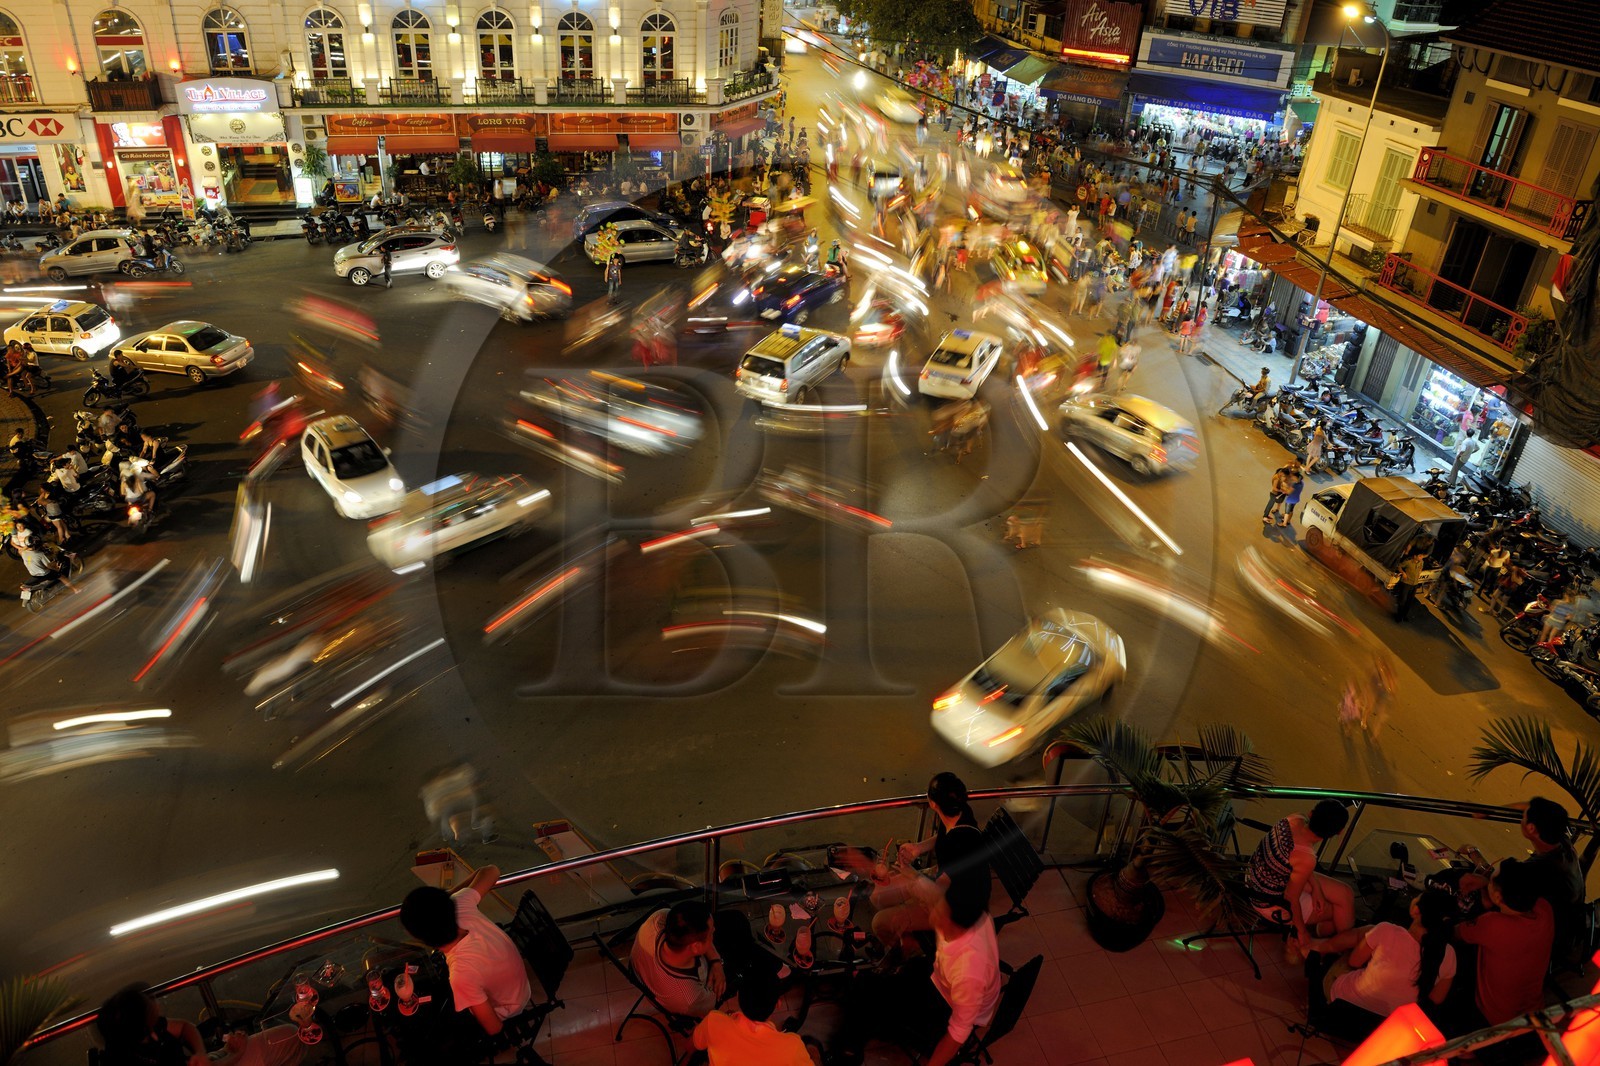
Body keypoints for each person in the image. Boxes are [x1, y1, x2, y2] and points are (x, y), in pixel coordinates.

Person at [833, 874, 1000, 1066]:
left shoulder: (969, 971)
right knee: (873, 986)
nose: (932, 909)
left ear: (954, 923)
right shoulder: (973, 916)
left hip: (946, 1007)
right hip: (941, 979)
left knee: (873, 999)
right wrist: (907, 936)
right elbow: (927, 893)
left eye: (939, 909)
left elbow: (958, 1033)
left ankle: (847, 1052)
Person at [399, 864, 533, 1038]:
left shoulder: (462, 975)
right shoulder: (461, 903)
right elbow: (492, 870)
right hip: (517, 987)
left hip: (510, 1006)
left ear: (420, 938)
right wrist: (446, 900)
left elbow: (494, 1028)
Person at [1306, 889, 1457, 1041]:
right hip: (1383, 1031)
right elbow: (1437, 998)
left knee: (1350, 949)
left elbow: (1354, 961)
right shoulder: (1449, 955)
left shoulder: (1388, 930)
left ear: (1416, 910)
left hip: (1338, 1014)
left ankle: (1314, 948)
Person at [872, 772, 991, 959]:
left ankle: (907, 952)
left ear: (932, 803)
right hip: (945, 883)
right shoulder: (960, 812)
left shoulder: (957, 846)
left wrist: (909, 873)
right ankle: (906, 932)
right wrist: (918, 848)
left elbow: (937, 894)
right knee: (878, 896)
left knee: (880, 923)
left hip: (956, 911)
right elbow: (945, 836)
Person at [1243, 799, 1358, 957]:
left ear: (1311, 814)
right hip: (1268, 899)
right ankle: (1341, 953)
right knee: (1337, 911)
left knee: (1345, 893)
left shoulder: (1295, 819)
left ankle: (1331, 942)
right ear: (1339, 832)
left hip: (1259, 876)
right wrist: (1302, 931)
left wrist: (1316, 889)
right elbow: (1290, 897)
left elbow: (1295, 861)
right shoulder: (1306, 857)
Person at [631, 899, 782, 1019]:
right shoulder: (690, 997)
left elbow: (698, 940)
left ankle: (758, 953)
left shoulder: (658, 920)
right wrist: (722, 967)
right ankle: (775, 966)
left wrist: (716, 961)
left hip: (646, 969)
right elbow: (712, 1000)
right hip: (695, 988)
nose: (714, 930)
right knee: (752, 961)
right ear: (696, 947)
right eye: (711, 933)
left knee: (736, 919)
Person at [1452, 859, 1554, 1032]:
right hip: (1532, 1014)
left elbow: (1456, 933)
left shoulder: (1493, 924)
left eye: (1491, 879)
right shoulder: (1545, 909)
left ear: (1498, 897)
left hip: (1492, 1019)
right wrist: (1488, 884)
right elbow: (1519, 888)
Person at [96, 982, 304, 1066]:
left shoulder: (144, 1029)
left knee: (285, 1034)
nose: (157, 1004)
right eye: (152, 1003)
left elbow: (185, 1027)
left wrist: (201, 1053)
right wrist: (236, 1054)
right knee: (290, 1037)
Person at [690, 974, 812, 1065]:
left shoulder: (713, 1022)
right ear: (778, 1004)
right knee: (813, 1049)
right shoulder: (793, 1047)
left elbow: (693, 1044)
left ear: (738, 996)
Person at [1392, 545, 1428, 623]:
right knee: (1402, 600)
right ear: (1415, 556)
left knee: (1409, 601)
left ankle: (1404, 616)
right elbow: (1399, 566)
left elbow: (1421, 567)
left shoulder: (1421, 562)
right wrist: (1403, 573)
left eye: (1422, 556)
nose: (1421, 557)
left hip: (1414, 584)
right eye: (1420, 556)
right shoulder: (1408, 562)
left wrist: (1419, 571)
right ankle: (1398, 616)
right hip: (1406, 584)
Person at [1263, 461, 1301, 526]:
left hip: (1278, 493)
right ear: (1281, 473)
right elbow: (1274, 488)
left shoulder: (1281, 476)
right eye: (1283, 476)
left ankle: (1269, 514)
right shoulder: (1276, 478)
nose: (1284, 477)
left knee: (1277, 502)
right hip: (1274, 493)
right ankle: (1265, 517)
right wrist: (1281, 490)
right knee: (1270, 505)